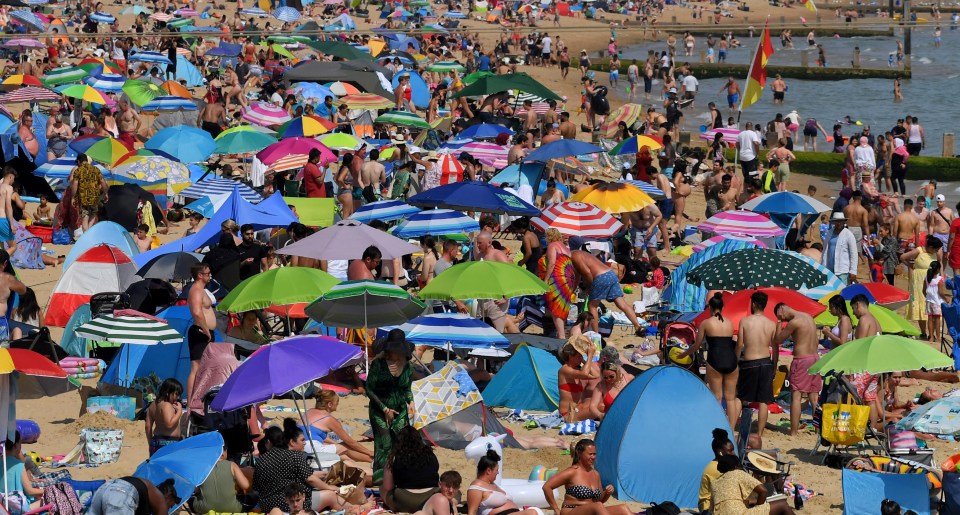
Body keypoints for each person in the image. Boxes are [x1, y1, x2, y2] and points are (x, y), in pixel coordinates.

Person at [253, 418, 344, 512]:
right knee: (331, 495)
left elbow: (256, 487)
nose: (305, 442)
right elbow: (310, 479)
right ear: (292, 442)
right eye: (303, 440)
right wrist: (329, 487)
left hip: (266, 505)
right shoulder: (294, 456)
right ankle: (350, 510)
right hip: (289, 504)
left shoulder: (261, 459)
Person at [683, 292, 738, 430]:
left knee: (717, 397)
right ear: (722, 307)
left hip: (715, 360)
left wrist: (684, 354)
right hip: (731, 360)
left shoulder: (706, 323)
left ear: (710, 308)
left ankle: (717, 426)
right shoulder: (730, 323)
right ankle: (731, 428)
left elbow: (697, 345)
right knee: (730, 399)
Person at [366, 329, 415, 485]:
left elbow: (406, 388)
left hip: (400, 409)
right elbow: (369, 389)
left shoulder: (407, 366)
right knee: (384, 444)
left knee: (402, 442)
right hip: (379, 409)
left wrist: (411, 402)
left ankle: (401, 476)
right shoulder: (378, 364)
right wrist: (385, 409)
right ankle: (382, 480)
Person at [541, 439, 631, 515]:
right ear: (579, 454)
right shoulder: (572, 472)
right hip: (572, 510)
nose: (593, 457)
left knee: (623, 509)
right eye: (590, 454)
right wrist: (556, 509)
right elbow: (547, 487)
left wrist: (607, 493)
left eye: (594, 454)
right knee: (598, 506)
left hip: (592, 510)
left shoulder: (596, 474)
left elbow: (600, 500)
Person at [570, 250, 643, 336]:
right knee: (622, 304)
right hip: (610, 274)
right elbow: (578, 276)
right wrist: (572, 290)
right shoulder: (578, 253)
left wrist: (588, 288)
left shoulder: (574, 256)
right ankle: (638, 327)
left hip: (600, 277)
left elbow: (587, 273)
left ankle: (595, 334)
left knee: (592, 306)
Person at [774, 303, 821, 436]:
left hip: (802, 360)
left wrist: (778, 323)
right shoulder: (809, 317)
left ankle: (793, 431)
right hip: (815, 358)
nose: (783, 320)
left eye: (781, 317)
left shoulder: (794, 322)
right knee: (814, 398)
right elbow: (816, 341)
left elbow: (778, 339)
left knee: (796, 396)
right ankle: (818, 431)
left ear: (782, 309)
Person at [737, 291, 778, 438]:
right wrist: (774, 365)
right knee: (763, 401)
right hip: (766, 362)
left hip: (749, 362)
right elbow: (775, 347)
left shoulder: (745, 321)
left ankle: (734, 426)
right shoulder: (771, 324)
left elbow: (740, 344)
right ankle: (759, 434)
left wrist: (736, 362)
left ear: (753, 304)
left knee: (741, 397)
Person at [305, 390, 374, 463]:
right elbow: (349, 442)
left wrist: (335, 443)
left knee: (336, 449)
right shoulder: (328, 419)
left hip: (300, 447)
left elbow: (317, 435)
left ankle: (355, 460)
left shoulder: (308, 412)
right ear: (330, 404)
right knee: (345, 447)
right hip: (311, 449)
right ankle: (374, 461)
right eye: (336, 403)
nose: (337, 405)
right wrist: (369, 452)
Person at [383, 426, 441, 513]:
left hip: (405, 500)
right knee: (456, 493)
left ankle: (396, 507)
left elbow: (388, 487)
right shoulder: (430, 454)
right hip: (430, 497)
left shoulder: (396, 456)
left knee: (382, 488)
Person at [711, 455, 795, 515]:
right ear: (736, 466)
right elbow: (763, 491)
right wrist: (758, 508)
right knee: (783, 505)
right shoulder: (737, 473)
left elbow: (714, 507)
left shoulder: (715, 483)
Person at [468, 450, 538, 515]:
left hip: (512, 512)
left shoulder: (492, 484)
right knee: (532, 513)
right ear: (489, 471)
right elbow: (472, 511)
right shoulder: (477, 486)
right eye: (496, 470)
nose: (498, 472)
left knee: (533, 511)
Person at [187, 263, 217, 403]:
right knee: (196, 368)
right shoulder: (196, 290)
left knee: (206, 367)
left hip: (206, 332)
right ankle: (192, 400)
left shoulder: (202, 290)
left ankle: (201, 398)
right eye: (207, 273)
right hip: (200, 332)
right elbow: (197, 312)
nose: (210, 275)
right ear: (200, 275)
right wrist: (206, 330)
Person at [903, 237, 943, 338]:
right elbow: (903, 257)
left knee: (932, 304)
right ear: (930, 247)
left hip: (932, 280)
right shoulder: (919, 250)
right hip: (918, 280)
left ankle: (932, 334)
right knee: (921, 304)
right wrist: (911, 266)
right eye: (936, 249)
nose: (937, 251)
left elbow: (940, 263)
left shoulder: (935, 253)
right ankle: (924, 333)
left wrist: (941, 276)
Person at [539, 228, 576, 338]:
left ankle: (561, 336)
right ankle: (557, 333)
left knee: (556, 307)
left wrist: (545, 280)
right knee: (562, 306)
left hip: (558, 277)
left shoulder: (552, 246)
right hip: (569, 278)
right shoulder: (566, 248)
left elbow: (552, 263)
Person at [194, 446, 250, 514]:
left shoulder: (202, 467)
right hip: (232, 508)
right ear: (224, 452)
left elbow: (196, 490)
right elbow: (246, 485)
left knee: (194, 500)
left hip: (204, 509)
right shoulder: (232, 465)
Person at [88, 476, 180, 515]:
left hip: (104, 489)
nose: (168, 509)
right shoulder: (160, 499)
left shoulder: (147, 497)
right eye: (170, 506)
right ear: (169, 496)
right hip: (121, 493)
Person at [558, 338, 598, 422]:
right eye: (579, 356)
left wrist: (584, 360)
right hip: (567, 414)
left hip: (577, 411)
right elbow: (585, 374)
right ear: (570, 356)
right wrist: (590, 356)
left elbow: (596, 376)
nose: (581, 358)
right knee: (599, 408)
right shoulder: (564, 370)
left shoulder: (576, 371)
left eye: (581, 356)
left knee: (599, 404)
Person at [699, 428, 736, 514]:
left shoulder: (721, 465)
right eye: (730, 451)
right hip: (708, 509)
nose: (733, 453)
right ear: (720, 452)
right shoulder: (716, 468)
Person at [69, 153, 109, 232]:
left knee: (84, 218)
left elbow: (75, 185)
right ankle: (89, 231)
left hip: (83, 198)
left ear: (79, 161)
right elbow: (103, 182)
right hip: (95, 198)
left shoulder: (79, 170)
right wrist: (106, 193)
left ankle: (86, 235)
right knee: (93, 214)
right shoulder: (96, 169)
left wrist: (73, 197)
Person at [145, 378, 183, 455]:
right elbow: (169, 424)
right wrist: (179, 411)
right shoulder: (166, 405)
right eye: (176, 394)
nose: (178, 397)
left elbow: (148, 426)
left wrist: (150, 442)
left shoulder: (152, 405)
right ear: (167, 392)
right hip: (168, 442)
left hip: (156, 441)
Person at [822, 212, 858, 285]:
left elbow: (854, 254)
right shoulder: (829, 233)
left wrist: (853, 271)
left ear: (844, 222)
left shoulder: (848, 235)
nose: (839, 223)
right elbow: (825, 251)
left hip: (842, 270)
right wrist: (822, 265)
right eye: (837, 221)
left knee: (842, 291)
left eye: (840, 221)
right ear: (834, 222)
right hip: (829, 268)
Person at [0, 250, 26, 341]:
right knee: (2, 350)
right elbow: (23, 290)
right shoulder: (6, 278)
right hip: (1, 321)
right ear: (5, 263)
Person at [925, 261, 946, 343]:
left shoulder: (927, 278)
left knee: (930, 319)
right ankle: (938, 337)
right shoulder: (939, 279)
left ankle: (931, 337)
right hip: (936, 302)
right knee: (937, 320)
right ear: (938, 269)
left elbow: (924, 290)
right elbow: (941, 293)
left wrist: (928, 297)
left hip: (928, 301)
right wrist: (946, 299)